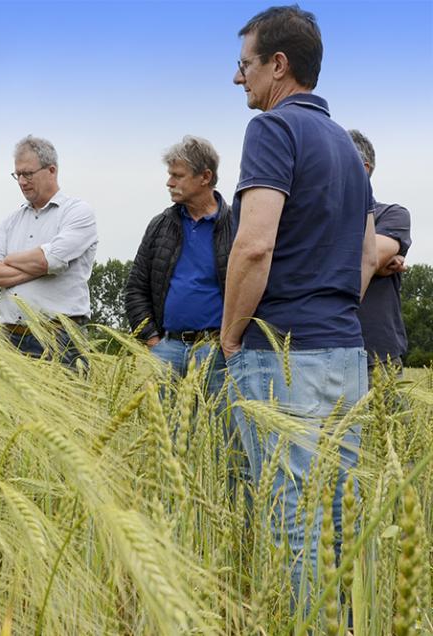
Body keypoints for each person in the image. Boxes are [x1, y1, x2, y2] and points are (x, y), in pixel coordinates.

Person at [221, 6, 376, 604]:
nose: (239, 79)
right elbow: (364, 254)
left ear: (277, 65)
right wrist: (332, 310)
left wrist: (233, 335)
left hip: (282, 352)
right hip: (346, 352)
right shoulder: (344, 144)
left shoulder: (272, 129)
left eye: (244, 65)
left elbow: (254, 245)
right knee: (341, 516)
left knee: (293, 521)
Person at [0, 135, 98, 369]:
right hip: (10, 336)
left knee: (66, 403)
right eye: (17, 175)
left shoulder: (78, 213)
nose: (22, 181)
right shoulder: (10, 221)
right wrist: (39, 268)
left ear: (51, 170)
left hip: (61, 337)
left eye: (28, 174)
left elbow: (50, 259)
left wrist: (9, 260)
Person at [125, 135, 233, 395]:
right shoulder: (160, 225)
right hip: (168, 349)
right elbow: (135, 289)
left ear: (205, 177)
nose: (169, 182)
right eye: (169, 174)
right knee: (167, 434)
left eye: (178, 175)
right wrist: (153, 341)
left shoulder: (236, 225)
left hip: (217, 354)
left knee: (219, 432)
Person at [348, 129, 412, 380]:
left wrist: (375, 257)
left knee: (387, 421)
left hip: (378, 356)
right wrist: (377, 261)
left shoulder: (392, 215)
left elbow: (370, 255)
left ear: (363, 169)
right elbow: (369, 257)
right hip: (322, 351)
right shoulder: (318, 219)